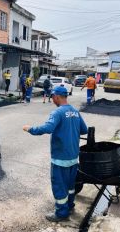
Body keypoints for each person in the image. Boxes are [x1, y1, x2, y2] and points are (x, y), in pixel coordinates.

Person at [22, 86, 88, 222]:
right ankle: (69, 205)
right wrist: (70, 131)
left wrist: (30, 129)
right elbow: (84, 130)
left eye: (52, 97)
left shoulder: (57, 112)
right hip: (73, 158)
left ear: (57, 96)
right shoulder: (75, 111)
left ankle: (61, 213)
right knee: (70, 185)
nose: (52, 99)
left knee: (59, 185)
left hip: (60, 159)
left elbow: (47, 128)